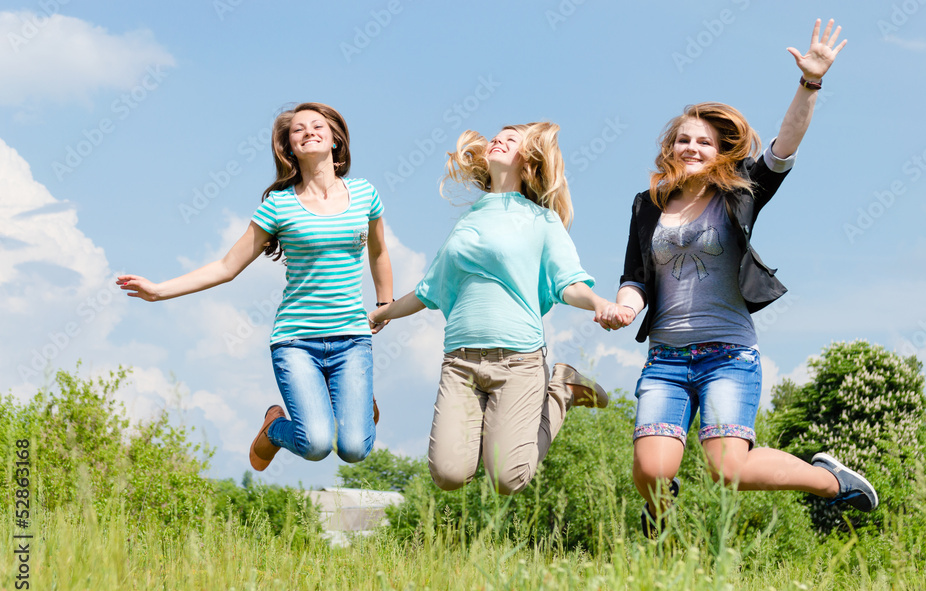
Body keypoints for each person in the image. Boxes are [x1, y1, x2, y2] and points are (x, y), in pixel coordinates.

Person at [598, 20, 878, 536]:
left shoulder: (741, 190)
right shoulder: (648, 205)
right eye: (682, 139)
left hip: (728, 354)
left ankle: (829, 481)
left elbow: (784, 148)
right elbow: (635, 276)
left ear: (719, 149)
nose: (691, 147)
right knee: (651, 471)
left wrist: (810, 82)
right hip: (666, 358)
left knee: (728, 470)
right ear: (670, 147)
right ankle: (660, 510)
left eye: (702, 141)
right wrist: (623, 306)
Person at [118, 102, 393, 472]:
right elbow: (227, 266)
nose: (308, 131)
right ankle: (274, 427)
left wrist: (386, 303)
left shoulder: (364, 194)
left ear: (335, 141)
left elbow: (379, 252)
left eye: (317, 126)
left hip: (352, 339)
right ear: (290, 148)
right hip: (296, 341)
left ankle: (354, 406)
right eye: (298, 130)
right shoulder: (279, 206)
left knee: (355, 450)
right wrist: (159, 290)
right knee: (315, 445)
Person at [370, 122, 617, 495]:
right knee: (449, 475)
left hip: (518, 360)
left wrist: (598, 303)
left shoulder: (542, 221)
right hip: (461, 362)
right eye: (496, 136)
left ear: (529, 159)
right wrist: (380, 312)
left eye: (511, 138)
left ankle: (562, 389)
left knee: (508, 478)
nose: (498, 139)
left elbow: (568, 282)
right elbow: (428, 290)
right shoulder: (467, 221)